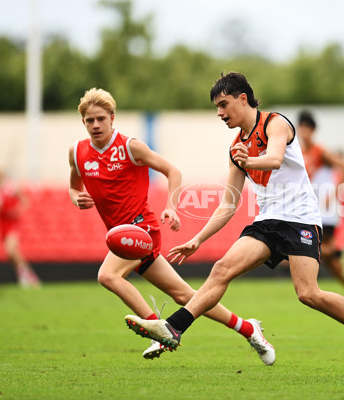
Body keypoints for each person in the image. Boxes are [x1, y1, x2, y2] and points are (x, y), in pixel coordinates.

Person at [125, 72, 344, 378]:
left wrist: (247, 162)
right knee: (222, 269)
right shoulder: (236, 147)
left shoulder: (276, 123)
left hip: (300, 219)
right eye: (216, 108)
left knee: (308, 293)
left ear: (242, 98)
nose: (220, 113)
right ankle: (174, 328)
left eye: (223, 104)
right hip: (266, 222)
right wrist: (198, 239)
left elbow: (273, 159)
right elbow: (229, 203)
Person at [69, 87, 275, 364]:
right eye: (89, 120)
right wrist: (76, 197)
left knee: (108, 276)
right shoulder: (77, 152)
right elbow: (74, 185)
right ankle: (249, 329)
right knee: (185, 295)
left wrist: (170, 207)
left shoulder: (130, 147)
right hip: (122, 236)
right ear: (83, 121)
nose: (95, 125)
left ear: (112, 118)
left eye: (100, 119)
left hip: (142, 229)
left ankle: (159, 329)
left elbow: (173, 171)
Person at [297, 109, 344, 309]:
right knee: (326, 258)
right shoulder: (300, 153)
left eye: (307, 128)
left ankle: (341, 253)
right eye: (301, 128)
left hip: (326, 209)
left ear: (313, 130)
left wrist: (335, 192)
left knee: (322, 250)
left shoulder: (321, 152)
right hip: (311, 208)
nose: (304, 132)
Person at [0, 169, 41, 288]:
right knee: (11, 254)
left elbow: (26, 202)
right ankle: (24, 276)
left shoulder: (11, 188)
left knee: (11, 249)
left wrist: (16, 211)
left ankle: (27, 276)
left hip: (13, 223)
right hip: (1, 225)